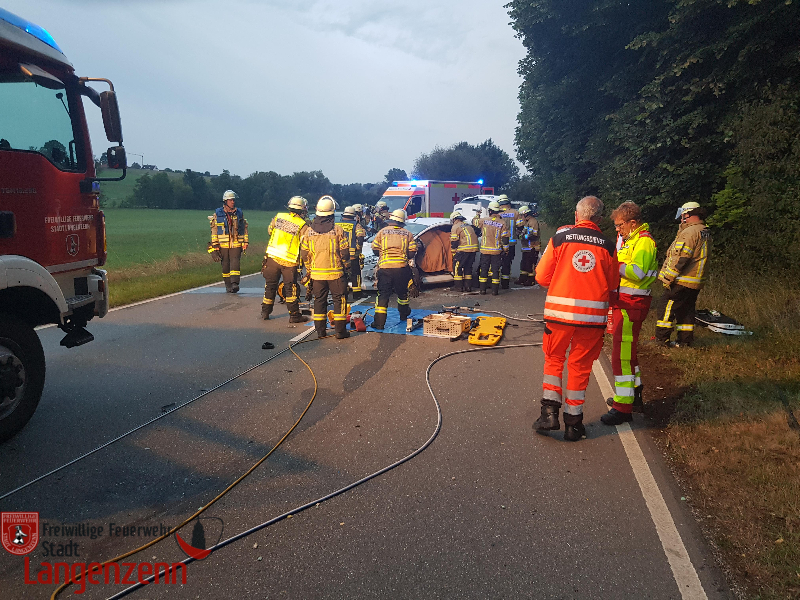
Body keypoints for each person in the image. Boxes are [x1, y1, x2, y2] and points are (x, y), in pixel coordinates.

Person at [534, 196, 619, 441]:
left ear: (576, 216)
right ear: (600, 219)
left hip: (559, 317)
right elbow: (613, 283)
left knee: (554, 361)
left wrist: (560, 280)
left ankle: (549, 414)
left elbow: (541, 276)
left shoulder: (560, 239)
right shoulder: (608, 245)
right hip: (591, 321)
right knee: (580, 368)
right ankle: (574, 424)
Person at [601, 201, 658, 425]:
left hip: (632, 304)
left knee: (621, 356)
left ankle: (623, 408)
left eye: (620, 225)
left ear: (633, 223)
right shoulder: (630, 240)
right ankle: (633, 397)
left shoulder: (643, 241)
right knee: (628, 352)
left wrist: (614, 264)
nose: (617, 229)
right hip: (625, 302)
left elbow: (638, 272)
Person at [654, 201, 711, 347]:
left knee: (665, 308)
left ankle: (662, 340)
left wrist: (669, 277)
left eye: (684, 214)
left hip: (681, 280)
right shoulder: (704, 230)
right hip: (694, 281)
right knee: (686, 311)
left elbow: (682, 256)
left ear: (690, 214)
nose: (682, 218)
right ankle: (685, 341)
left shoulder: (690, 232)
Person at [300, 196, 351, 339]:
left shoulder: (308, 232)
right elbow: (345, 253)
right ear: (332, 213)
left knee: (319, 301)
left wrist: (310, 270)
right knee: (339, 301)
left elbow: (304, 254)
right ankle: (340, 332)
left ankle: (320, 331)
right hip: (336, 275)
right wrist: (347, 268)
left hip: (317, 275)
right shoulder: (338, 230)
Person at [261, 196, 309, 322]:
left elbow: (269, 231)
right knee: (290, 289)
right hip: (289, 261)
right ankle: (294, 316)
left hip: (272, 257)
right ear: (301, 211)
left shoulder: (279, 217)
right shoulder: (302, 225)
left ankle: (265, 312)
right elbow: (305, 245)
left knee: (270, 286)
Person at [371, 209, 418, 329]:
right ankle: (403, 315)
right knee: (402, 293)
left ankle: (379, 323)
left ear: (391, 220)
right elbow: (412, 252)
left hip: (385, 268)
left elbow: (375, 250)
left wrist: (384, 256)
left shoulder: (382, 232)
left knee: (383, 295)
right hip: (401, 268)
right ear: (402, 222)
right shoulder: (408, 234)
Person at [209, 190, 248, 293]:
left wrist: (245, 242)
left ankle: (235, 283)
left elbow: (244, 228)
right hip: (222, 245)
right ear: (225, 201)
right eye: (231, 200)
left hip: (236, 243)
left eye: (234, 200)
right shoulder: (217, 214)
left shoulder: (239, 213)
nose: (233, 202)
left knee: (235, 263)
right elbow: (214, 230)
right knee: (225, 265)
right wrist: (215, 245)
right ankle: (228, 285)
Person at [472, 200, 509, 295]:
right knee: (495, 271)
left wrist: (477, 213)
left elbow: (474, 222)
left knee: (484, 270)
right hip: (496, 251)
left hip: (485, 251)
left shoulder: (484, 221)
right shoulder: (502, 223)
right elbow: (505, 238)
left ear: (491, 211)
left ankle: (482, 290)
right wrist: (506, 249)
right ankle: (494, 291)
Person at [337, 206, 367, 299]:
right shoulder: (356, 225)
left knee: (342, 274)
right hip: (353, 255)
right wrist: (358, 248)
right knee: (355, 273)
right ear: (354, 216)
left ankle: (343, 293)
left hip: (340, 254)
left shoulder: (337, 225)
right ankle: (357, 293)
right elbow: (360, 237)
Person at [497, 195, 522, 289]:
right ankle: (505, 283)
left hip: (499, 243)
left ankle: (494, 282)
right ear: (508, 203)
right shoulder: (515, 213)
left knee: (496, 263)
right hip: (511, 243)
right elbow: (520, 226)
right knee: (507, 263)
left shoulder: (497, 214)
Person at [449, 211, 478, 292]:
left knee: (457, 266)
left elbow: (454, 241)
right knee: (468, 267)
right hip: (473, 249)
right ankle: (468, 286)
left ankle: (458, 287)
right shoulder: (467, 225)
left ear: (454, 219)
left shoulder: (455, 227)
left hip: (464, 249)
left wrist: (454, 252)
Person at [515, 204, 541, 286]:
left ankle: (531, 280)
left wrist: (523, 236)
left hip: (533, 247)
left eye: (522, 215)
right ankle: (523, 278)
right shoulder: (527, 222)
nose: (521, 216)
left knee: (530, 264)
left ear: (525, 214)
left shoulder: (533, 221)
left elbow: (534, 234)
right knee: (524, 263)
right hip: (526, 247)